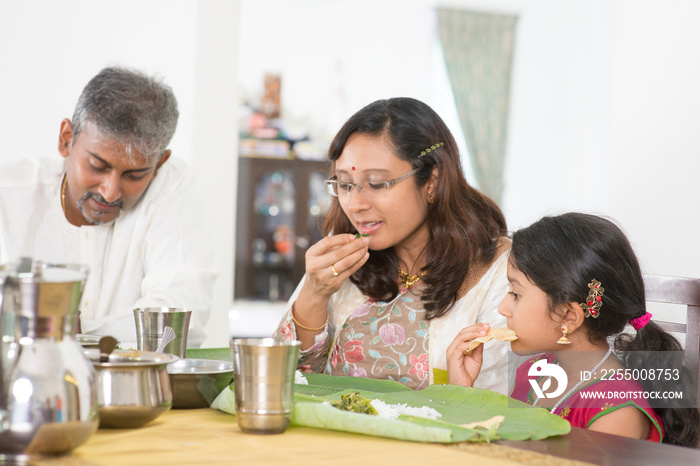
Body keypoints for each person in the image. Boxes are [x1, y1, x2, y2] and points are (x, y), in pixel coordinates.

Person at [273, 97, 511, 392]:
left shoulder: (500, 272)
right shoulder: (343, 260)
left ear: (432, 182)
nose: (355, 204)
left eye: (376, 184)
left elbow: (499, 401)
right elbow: (282, 383)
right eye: (345, 184)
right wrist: (314, 293)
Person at [0, 66, 217, 346]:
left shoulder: (171, 183)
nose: (110, 191)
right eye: (98, 166)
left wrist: (63, 328)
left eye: (134, 175)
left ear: (159, 164)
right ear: (66, 139)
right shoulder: (9, 194)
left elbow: (178, 320)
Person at [447, 213, 699, 446]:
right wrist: (462, 392)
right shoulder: (537, 373)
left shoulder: (617, 414)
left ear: (568, 316)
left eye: (515, 294)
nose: (503, 308)